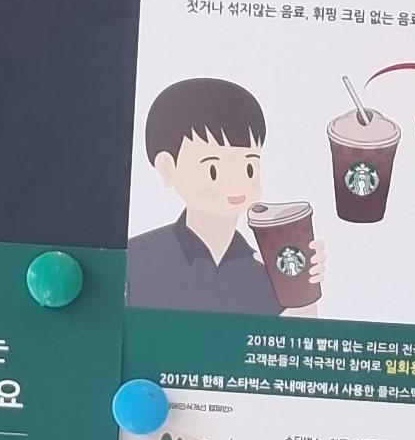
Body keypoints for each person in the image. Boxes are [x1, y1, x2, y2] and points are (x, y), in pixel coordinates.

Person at [125, 76, 307, 312]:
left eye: (249, 168)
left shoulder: (264, 272)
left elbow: (290, 332)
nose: (236, 183)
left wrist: (303, 288)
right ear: (168, 168)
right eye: (213, 170)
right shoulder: (137, 259)